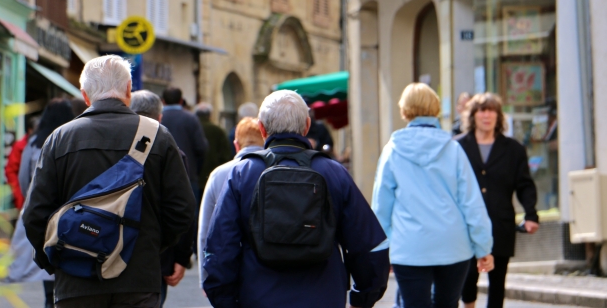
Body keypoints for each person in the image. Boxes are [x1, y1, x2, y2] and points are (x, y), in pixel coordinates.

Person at [23, 56, 196, 307]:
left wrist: (55, 257)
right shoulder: (157, 136)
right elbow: (182, 210)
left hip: (75, 279)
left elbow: (35, 214)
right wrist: (148, 247)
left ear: (85, 95)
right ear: (128, 89)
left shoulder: (59, 139)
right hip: (138, 279)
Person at [203, 90, 390, 308]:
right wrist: (363, 297)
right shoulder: (334, 173)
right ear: (307, 126)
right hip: (324, 299)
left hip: (258, 298)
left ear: (262, 129)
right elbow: (369, 245)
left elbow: (219, 247)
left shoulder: (241, 174)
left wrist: (225, 301)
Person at [372, 83, 494, 308]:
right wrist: (483, 247)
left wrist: (382, 250)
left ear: (404, 110)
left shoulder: (392, 150)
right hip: (453, 246)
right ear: (436, 108)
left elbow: (382, 206)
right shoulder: (453, 149)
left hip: (409, 248)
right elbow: (471, 203)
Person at [458, 92, 539, 308]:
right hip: (465, 224)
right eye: (482, 111)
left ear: (499, 116)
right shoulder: (457, 147)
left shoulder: (513, 149)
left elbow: (524, 184)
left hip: (500, 223)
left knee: (497, 282)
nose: (487, 115)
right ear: (473, 115)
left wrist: (530, 214)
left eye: (492, 111)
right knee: (467, 279)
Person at [130, 90, 196, 307]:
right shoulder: (172, 152)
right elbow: (182, 209)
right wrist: (180, 256)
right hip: (154, 259)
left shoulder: (109, 147)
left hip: (105, 251)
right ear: (160, 118)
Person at [6, 100, 75, 308]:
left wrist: (31, 199)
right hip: (69, 212)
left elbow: (24, 177)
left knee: (47, 261)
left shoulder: (35, 141)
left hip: (43, 210)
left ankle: (49, 301)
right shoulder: (73, 137)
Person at [197, 117, 263, 287]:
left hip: (228, 268)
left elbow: (206, 231)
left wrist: (205, 276)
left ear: (236, 144)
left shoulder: (219, 174)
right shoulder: (275, 171)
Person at [160, 87, 209, 203]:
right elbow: (201, 148)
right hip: (188, 174)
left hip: (161, 176)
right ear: (181, 100)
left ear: (163, 101)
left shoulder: (157, 118)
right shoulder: (191, 118)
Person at [195, 102, 233, 191]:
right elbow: (226, 155)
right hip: (213, 176)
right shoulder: (218, 130)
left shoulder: (191, 129)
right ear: (210, 115)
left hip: (194, 177)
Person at [5, 116, 38, 211]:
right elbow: (11, 171)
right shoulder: (20, 146)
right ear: (29, 130)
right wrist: (19, 197)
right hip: (23, 199)